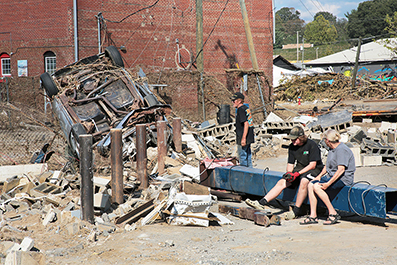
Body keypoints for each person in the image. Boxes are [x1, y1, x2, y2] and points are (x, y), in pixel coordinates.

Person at [247, 125, 324, 217]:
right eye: (291, 139)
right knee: (282, 182)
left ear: (301, 137)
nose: (293, 141)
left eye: (295, 139)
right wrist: (289, 174)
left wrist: (297, 174)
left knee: (304, 181)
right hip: (300, 169)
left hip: (314, 170)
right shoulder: (292, 147)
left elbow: (312, 165)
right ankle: (262, 202)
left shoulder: (312, 145)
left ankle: (296, 211)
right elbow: (290, 164)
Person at [300, 129, 355, 225]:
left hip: (343, 178)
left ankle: (333, 213)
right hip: (331, 175)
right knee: (311, 184)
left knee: (317, 187)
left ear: (327, 140)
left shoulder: (342, 150)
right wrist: (319, 176)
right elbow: (327, 166)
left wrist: (328, 183)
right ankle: (313, 216)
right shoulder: (332, 149)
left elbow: (341, 170)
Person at [231, 92, 255, 167]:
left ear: (239, 101)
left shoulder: (240, 110)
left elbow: (246, 123)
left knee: (243, 158)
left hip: (243, 137)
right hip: (249, 136)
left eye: (234, 101)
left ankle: (244, 176)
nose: (232, 102)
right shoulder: (245, 108)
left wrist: (243, 138)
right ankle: (250, 174)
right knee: (248, 157)